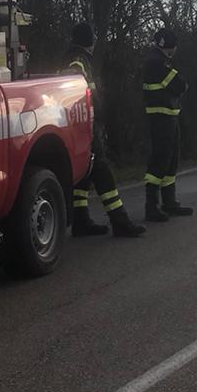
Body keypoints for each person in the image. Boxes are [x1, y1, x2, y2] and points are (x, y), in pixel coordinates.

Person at [63, 23, 145, 238]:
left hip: (80, 123)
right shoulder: (78, 61)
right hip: (85, 124)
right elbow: (77, 89)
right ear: (89, 42)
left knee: (85, 173)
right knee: (102, 171)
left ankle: (81, 220)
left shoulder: (75, 57)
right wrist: (94, 116)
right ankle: (120, 221)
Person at [142, 27, 194, 222]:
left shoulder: (159, 61)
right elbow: (180, 86)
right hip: (161, 117)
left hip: (169, 115)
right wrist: (181, 84)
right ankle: (152, 206)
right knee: (160, 159)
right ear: (170, 47)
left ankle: (169, 202)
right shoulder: (156, 63)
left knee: (171, 160)